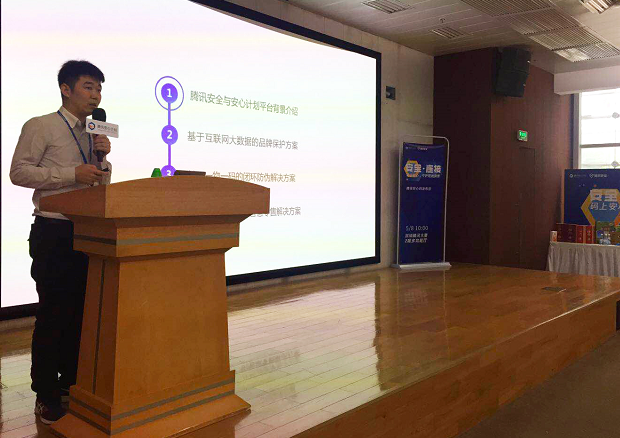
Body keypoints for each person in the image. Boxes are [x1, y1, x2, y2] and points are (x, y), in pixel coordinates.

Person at [9, 60, 112, 424]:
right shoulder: (41, 125)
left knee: (81, 313)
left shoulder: (94, 134)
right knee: (54, 313)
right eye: (88, 87)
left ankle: (70, 382)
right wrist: (71, 173)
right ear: (66, 89)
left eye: (99, 89)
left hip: (88, 231)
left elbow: (100, 185)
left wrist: (103, 160)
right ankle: (45, 393)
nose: (95, 95)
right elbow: (18, 172)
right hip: (53, 231)